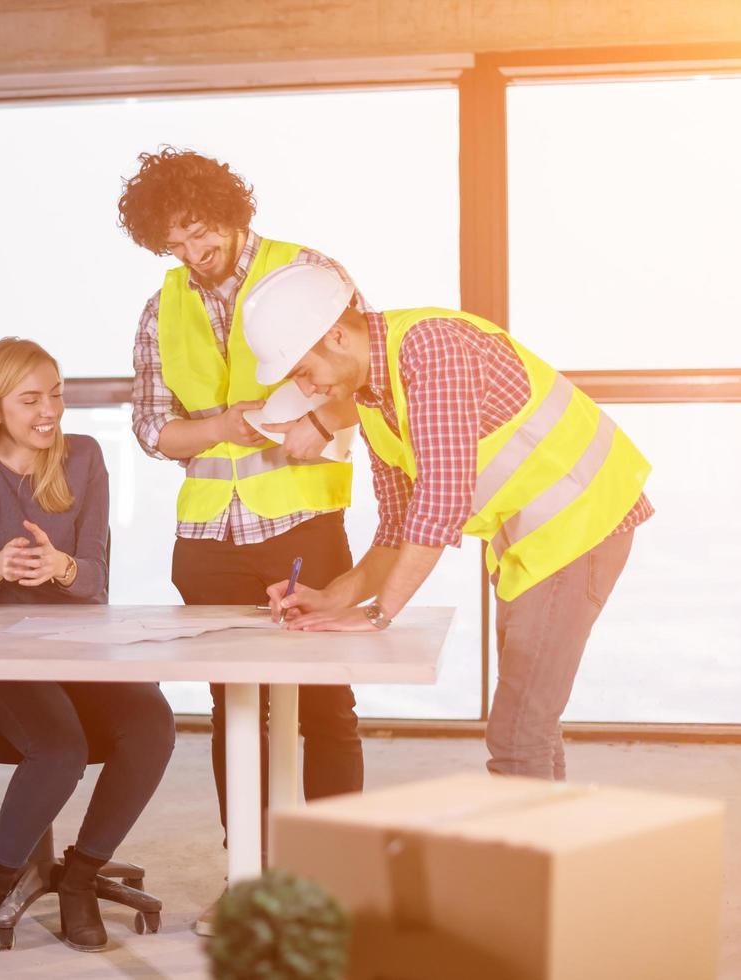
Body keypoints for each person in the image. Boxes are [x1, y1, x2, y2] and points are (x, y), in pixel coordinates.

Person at [247, 263, 653, 779]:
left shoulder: (430, 349)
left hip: (582, 521)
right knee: (532, 724)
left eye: (304, 371)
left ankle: (529, 858)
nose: (307, 389)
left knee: (516, 737)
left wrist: (379, 613)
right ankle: (554, 854)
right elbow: (396, 528)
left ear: (336, 335)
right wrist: (335, 597)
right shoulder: (375, 398)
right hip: (533, 539)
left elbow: (442, 497)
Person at [116, 147, 366, 935]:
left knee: (324, 709)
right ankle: (249, 880)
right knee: (236, 710)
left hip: (302, 523)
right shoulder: (163, 307)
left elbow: (367, 371)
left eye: (199, 235)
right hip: (208, 539)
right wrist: (223, 426)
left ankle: (334, 885)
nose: (193, 257)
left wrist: (312, 421)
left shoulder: (309, 272)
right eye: (175, 247)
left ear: (227, 209)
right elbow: (154, 429)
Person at [0, 338, 176, 952]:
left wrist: (62, 567)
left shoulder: (84, 457)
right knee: (59, 745)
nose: (51, 410)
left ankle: (80, 878)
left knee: (153, 723)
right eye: (32, 398)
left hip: (75, 649)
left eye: (57, 394)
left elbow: (95, 578)